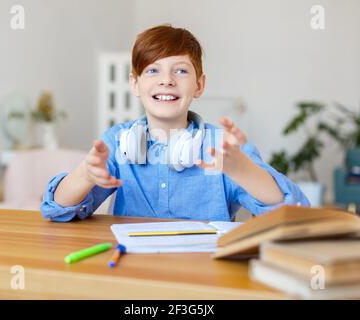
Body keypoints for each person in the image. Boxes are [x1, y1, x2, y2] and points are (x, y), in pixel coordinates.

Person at [41, 25, 309, 222]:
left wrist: (244, 172)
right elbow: (56, 209)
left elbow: (293, 214)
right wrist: (85, 175)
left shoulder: (223, 149)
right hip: (132, 271)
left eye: (180, 70)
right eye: (153, 70)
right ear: (135, 83)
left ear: (199, 85)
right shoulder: (117, 143)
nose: (166, 80)